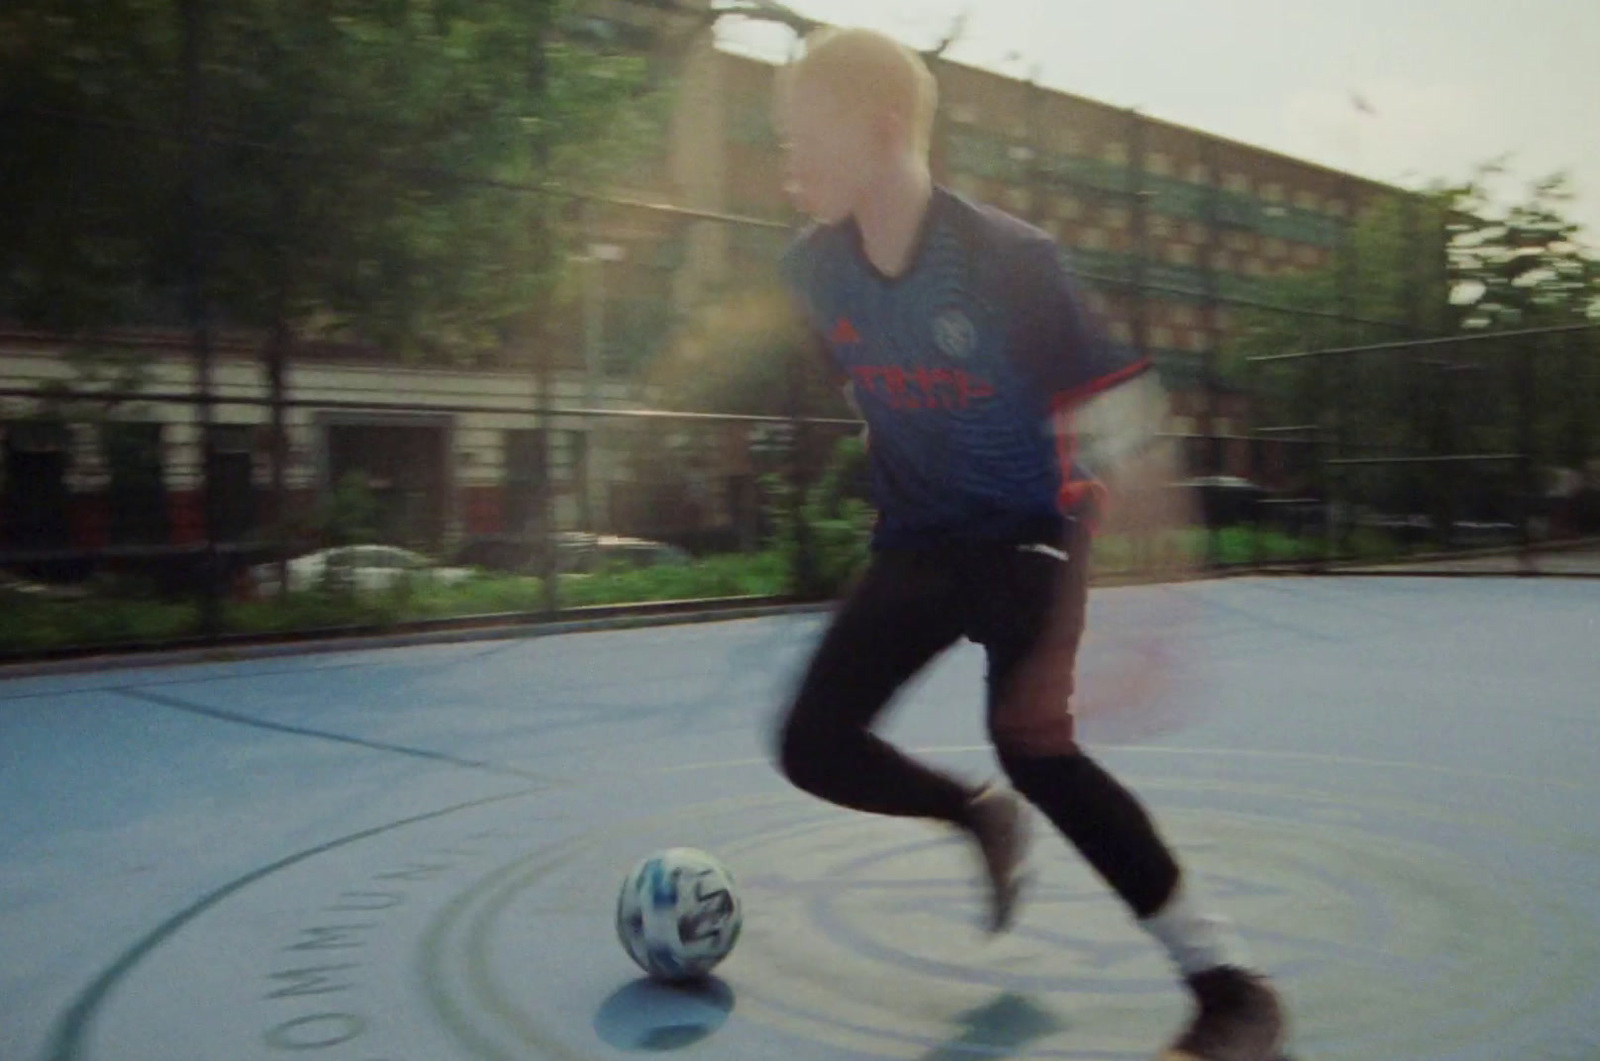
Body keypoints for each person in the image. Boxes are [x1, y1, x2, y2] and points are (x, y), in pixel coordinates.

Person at [769, 26, 1287, 1061]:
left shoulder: (1009, 262)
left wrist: (1145, 618)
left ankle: (1231, 991)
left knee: (1035, 743)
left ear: (880, 130)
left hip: (1026, 539)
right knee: (810, 744)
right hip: (917, 545)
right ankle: (973, 815)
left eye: (802, 139)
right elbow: (874, 385)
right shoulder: (813, 270)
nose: (786, 164)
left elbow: (1130, 432)